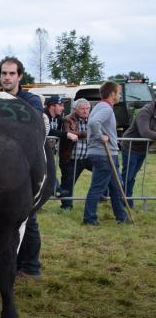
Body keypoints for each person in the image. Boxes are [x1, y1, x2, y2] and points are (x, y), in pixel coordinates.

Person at [0, 57, 45, 281]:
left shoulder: (30, 100)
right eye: (4, 73)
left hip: (26, 166)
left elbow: (35, 124)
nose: (7, 77)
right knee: (7, 218)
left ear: (20, 76)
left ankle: (31, 267)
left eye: (11, 74)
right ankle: (13, 265)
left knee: (28, 215)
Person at [82, 81, 128, 226]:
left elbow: (93, 122)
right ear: (112, 94)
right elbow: (94, 123)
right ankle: (89, 219)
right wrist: (100, 136)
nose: (119, 95)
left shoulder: (99, 106)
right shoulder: (106, 108)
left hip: (104, 154)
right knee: (97, 187)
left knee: (116, 187)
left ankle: (122, 217)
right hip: (104, 154)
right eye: (118, 93)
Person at [119, 101, 156, 205]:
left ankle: (119, 196)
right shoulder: (145, 111)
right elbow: (145, 132)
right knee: (128, 176)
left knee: (132, 175)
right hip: (130, 146)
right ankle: (125, 201)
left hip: (142, 149)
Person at [58, 99, 92, 209]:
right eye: (82, 109)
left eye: (87, 109)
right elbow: (69, 133)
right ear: (75, 109)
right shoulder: (68, 119)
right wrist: (88, 134)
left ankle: (104, 195)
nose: (85, 111)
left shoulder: (91, 119)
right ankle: (66, 206)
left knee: (104, 171)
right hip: (71, 157)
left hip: (88, 156)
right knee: (68, 182)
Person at [44, 95, 66, 197]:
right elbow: (47, 130)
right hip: (38, 149)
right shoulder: (43, 115)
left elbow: (58, 132)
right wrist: (65, 135)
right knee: (48, 169)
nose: (63, 108)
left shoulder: (59, 119)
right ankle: (56, 189)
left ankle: (55, 189)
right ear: (52, 106)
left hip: (49, 150)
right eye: (60, 105)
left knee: (49, 169)